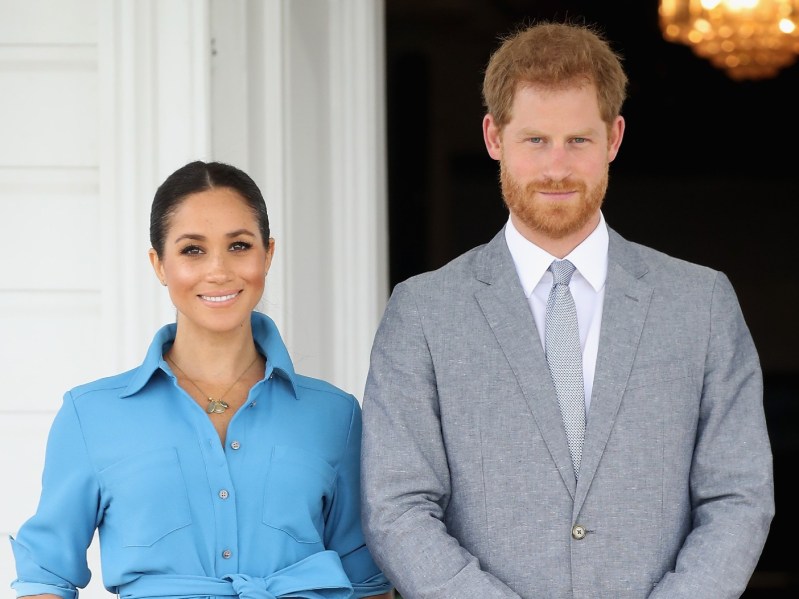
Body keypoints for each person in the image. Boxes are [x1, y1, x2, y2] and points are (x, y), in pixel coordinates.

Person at [360, 20, 774, 599]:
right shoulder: (423, 312)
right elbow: (396, 507)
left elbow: (739, 495)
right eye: (535, 140)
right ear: (493, 137)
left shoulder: (701, 304)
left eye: (578, 140)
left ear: (614, 138)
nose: (557, 168)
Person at [10, 160, 394, 599]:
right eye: (193, 249)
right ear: (159, 264)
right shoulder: (90, 416)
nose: (219, 271)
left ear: (268, 254)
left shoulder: (335, 416)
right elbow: (45, 578)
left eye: (239, 246)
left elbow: (366, 582)